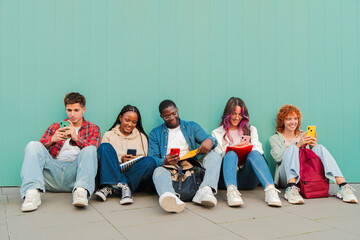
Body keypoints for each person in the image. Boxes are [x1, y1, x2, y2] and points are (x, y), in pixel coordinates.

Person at [20, 92, 101, 212]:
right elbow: (36, 153)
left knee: (90, 149)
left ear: (83, 109)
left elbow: (94, 154)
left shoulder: (93, 128)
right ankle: (31, 194)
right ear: (65, 109)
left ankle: (81, 192)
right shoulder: (55, 127)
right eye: (69, 110)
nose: (72, 114)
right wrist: (52, 140)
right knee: (32, 145)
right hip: (53, 174)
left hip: (76, 175)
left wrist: (76, 138)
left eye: (76, 110)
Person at [269, 104, 358, 204]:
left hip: (305, 173)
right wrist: (298, 145)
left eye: (295, 118)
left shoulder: (303, 135)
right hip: (285, 177)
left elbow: (310, 157)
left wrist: (313, 145)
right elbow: (278, 158)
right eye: (289, 119)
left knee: (320, 147)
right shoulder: (274, 138)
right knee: (292, 149)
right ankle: (291, 188)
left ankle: (343, 186)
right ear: (282, 121)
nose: (293, 122)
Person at [149, 100, 222, 213]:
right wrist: (164, 161)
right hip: (169, 167)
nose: (172, 118)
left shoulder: (191, 126)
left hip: (191, 165)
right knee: (158, 171)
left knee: (215, 155)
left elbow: (212, 141)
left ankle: (205, 190)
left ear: (177, 110)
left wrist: (210, 141)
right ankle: (170, 197)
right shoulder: (155, 133)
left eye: (174, 113)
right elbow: (152, 159)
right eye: (167, 116)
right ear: (161, 116)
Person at [212, 97, 282, 207]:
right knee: (231, 154)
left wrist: (247, 147)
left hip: (247, 178)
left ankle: (270, 190)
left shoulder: (251, 130)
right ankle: (231, 192)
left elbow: (259, 151)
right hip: (226, 179)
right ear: (227, 114)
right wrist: (233, 148)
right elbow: (216, 158)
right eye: (234, 114)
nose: (236, 118)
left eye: (240, 115)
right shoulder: (217, 133)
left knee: (254, 153)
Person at [95, 105, 157, 204]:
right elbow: (105, 160)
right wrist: (120, 159)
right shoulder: (109, 135)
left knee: (150, 161)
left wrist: (134, 159)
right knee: (104, 147)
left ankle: (112, 187)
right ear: (120, 118)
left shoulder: (142, 137)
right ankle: (124, 187)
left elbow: (144, 160)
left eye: (134, 122)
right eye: (127, 120)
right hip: (115, 170)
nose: (130, 124)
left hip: (133, 174)